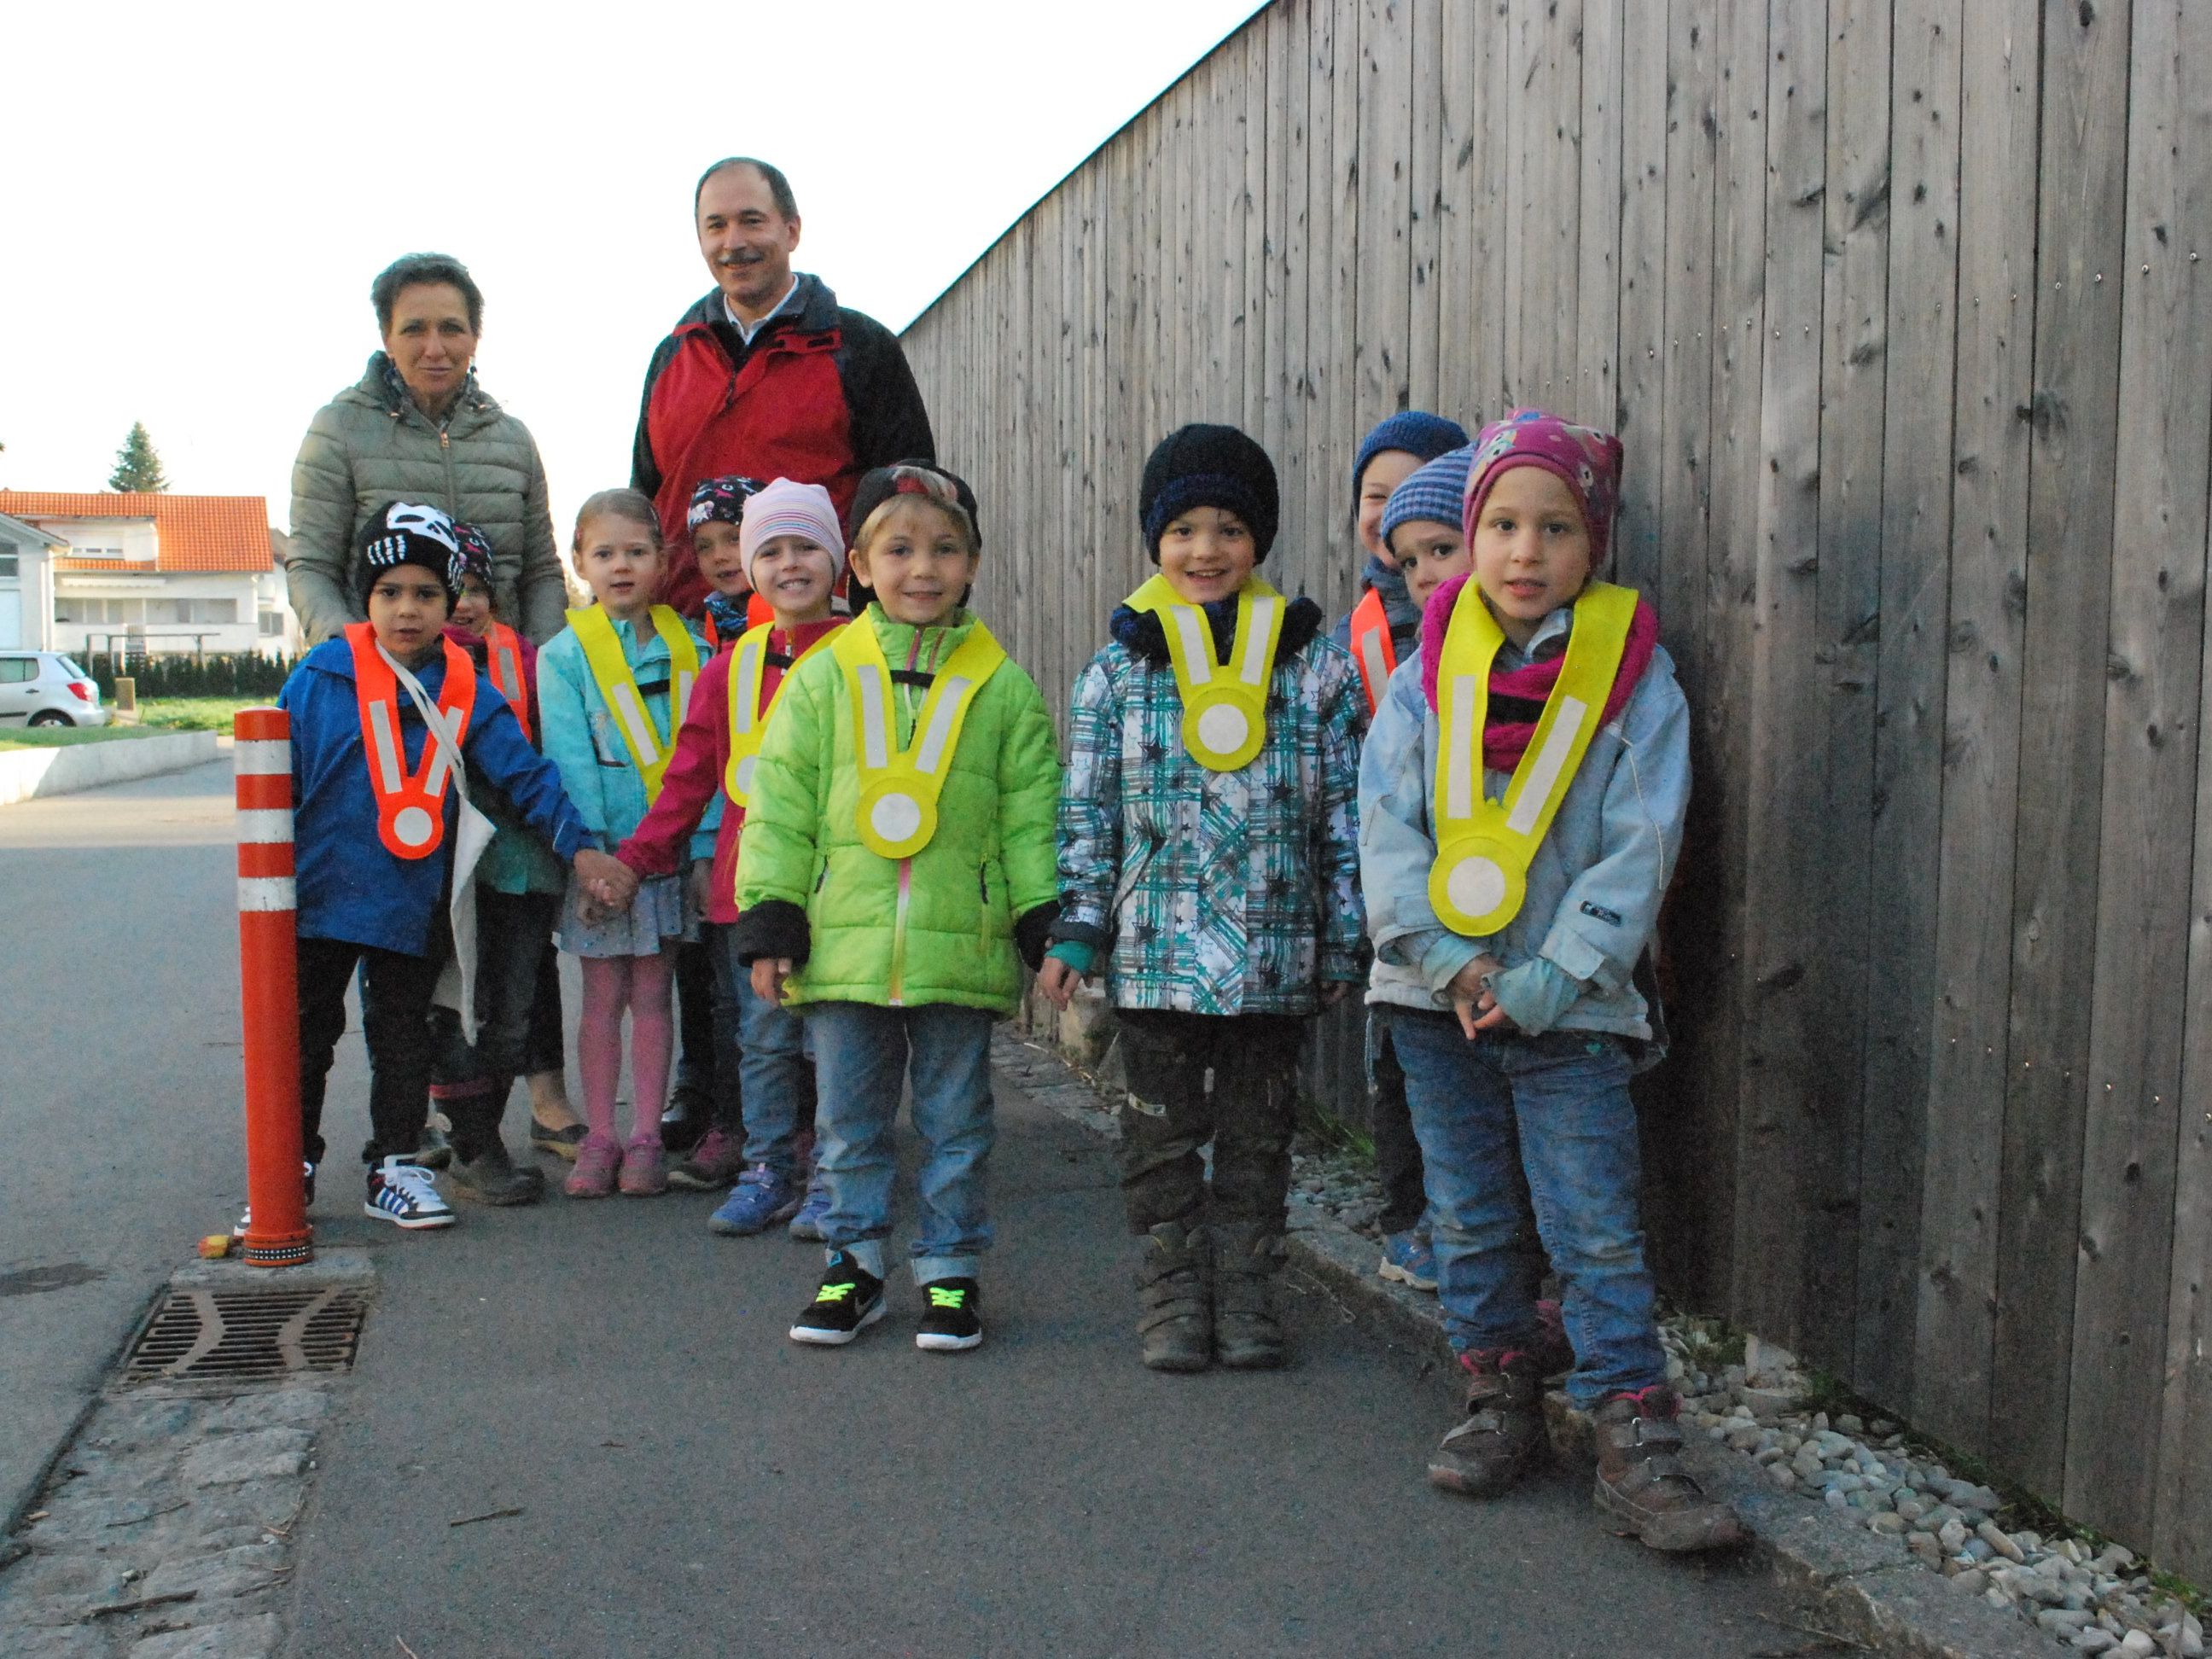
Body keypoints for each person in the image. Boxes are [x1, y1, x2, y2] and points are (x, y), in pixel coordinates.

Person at [1357, 410, 1742, 1551]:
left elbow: (1644, 846)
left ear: (1595, 544)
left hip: (1572, 1016)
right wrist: (1448, 958)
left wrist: (1552, 976)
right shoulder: (1428, 677)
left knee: (1596, 1230)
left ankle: (1635, 1438)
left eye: (1557, 527)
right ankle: (1497, 1402)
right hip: (1436, 1008)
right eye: (1505, 525)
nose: (1526, 552)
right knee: (1472, 1222)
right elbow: (1387, 832)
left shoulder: (1635, 682)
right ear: (1471, 539)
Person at [1039, 424, 1368, 1374]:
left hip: (1271, 957)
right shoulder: (1118, 673)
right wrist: (1081, 926)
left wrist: (1343, 938)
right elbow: (1089, 815)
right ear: (1155, 540)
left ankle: (1250, 1287)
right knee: (1159, 1138)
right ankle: (1175, 1290)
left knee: (1260, 1139)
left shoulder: (1313, 666)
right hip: (1154, 956)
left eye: (1228, 527)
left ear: (1258, 539)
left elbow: (1342, 815)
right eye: (1183, 528)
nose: (1206, 550)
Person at [734, 463, 1061, 1353]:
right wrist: (769, 915)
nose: (923, 569)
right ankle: (856, 1267)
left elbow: (1032, 816)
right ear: (862, 568)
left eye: (945, 549)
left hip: (960, 945)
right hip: (842, 948)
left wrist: (1041, 918)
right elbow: (783, 806)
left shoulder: (1004, 687)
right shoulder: (821, 680)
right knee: (849, 1121)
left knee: (958, 1122)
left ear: (975, 562)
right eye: (900, 548)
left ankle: (950, 1272)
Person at [275, 501, 630, 1230]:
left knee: (402, 1037)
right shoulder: (320, 676)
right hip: (317, 898)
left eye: (426, 593)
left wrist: (581, 846)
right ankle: (289, 1168)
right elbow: (276, 783)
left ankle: (394, 1166)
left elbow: (525, 774)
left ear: (451, 600)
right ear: (363, 598)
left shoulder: (466, 686)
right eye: (389, 593)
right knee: (304, 1038)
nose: (408, 610)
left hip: (411, 900)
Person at [614, 478, 846, 1230]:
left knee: (840, 1045)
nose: (790, 565)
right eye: (770, 551)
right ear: (750, 569)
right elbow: (688, 779)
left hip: (846, 890)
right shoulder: (727, 670)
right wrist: (639, 857)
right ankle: (770, 1166)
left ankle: (836, 1176)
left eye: (807, 546)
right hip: (750, 896)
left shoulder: (863, 657)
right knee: (766, 1041)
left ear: (839, 560)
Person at [631, 157, 935, 618]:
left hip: (824, 639)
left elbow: (908, 500)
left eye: (752, 221)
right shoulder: (671, 357)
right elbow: (643, 504)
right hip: (686, 641)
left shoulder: (860, 347)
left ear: (792, 230)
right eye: (716, 226)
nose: (733, 242)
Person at [538, 490, 717, 1199]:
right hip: (600, 861)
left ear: (662, 562)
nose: (621, 567)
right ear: (579, 562)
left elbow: (705, 757)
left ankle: (645, 1133)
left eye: (636, 552)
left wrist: (700, 848)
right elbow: (567, 759)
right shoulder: (563, 655)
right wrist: (594, 864)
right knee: (599, 998)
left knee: (654, 994)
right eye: (604, 554)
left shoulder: (692, 646)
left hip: (666, 859)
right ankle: (600, 1134)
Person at [288, 253, 568, 646]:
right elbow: (312, 566)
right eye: (414, 329)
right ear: (387, 338)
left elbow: (540, 574)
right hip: (384, 685)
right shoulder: (338, 431)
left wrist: (548, 663)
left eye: (451, 329)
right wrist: (345, 654)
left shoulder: (514, 441)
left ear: (474, 339)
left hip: (501, 687)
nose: (434, 348)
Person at [418, 525, 577, 1203]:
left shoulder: (528, 662)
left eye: (477, 590)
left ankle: (482, 1137)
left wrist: (577, 844)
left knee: (511, 1012)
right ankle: (470, 1141)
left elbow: (549, 756)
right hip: (440, 871)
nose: (464, 605)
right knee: (452, 1007)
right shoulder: (407, 670)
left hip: (519, 864)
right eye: (451, 592)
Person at [1359, 445, 1476, 1293]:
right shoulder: (1400, 676)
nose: (1428, 573)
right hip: (1414, 950)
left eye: (1446, 548)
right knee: (1412, 1099)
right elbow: (1380, 818)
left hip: (1533, 966)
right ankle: (1417, 1227)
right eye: (1413, 559)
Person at [1333, 411, 1469, 678]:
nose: (1392, 511)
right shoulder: (1348, 636)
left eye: (1410, 492)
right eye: (1377, 496)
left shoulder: (1503, 611)